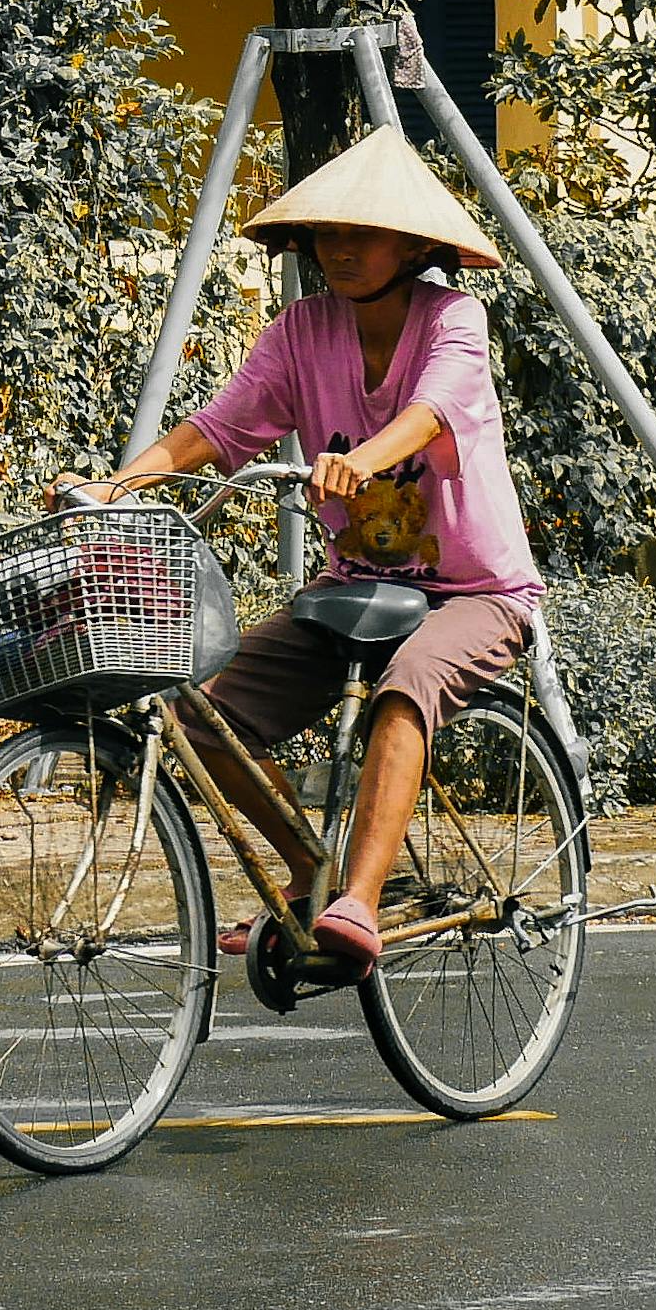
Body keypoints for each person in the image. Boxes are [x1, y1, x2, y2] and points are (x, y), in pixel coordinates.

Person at [64, 126, 541, 987]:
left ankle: (356, 901)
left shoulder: (454, 319)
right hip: (355, 584)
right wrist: (119, 484)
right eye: (328, 234)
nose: (341, 249)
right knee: (202, 717)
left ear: (415, 245)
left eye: (362, 233)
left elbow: (434, 411)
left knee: (406, 686)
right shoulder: (300, 331)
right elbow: (218, 428)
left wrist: (363, 457)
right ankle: (310, 869)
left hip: (474, 592)